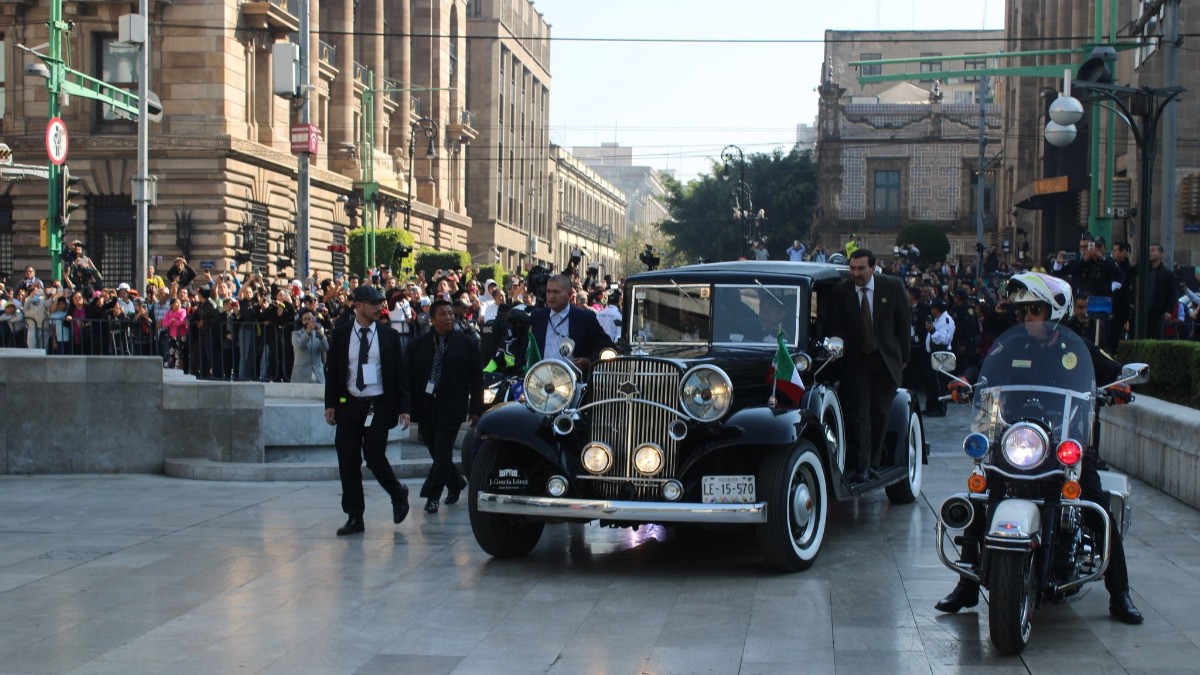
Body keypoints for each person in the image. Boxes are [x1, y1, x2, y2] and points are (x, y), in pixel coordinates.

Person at [935, 271, 1143, 625]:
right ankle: (967, 585)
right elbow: (985, 367)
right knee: (982, 495)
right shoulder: (1010, 345)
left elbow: (1108, 369)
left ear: (1054, 310)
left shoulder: (1076, 346)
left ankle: (1119, 593)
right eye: (1023, 312)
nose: (1027, 318)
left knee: (1097, 505)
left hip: (1063, 442)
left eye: (1034, 310)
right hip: (1016, 437)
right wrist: (965, 381)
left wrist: (1120, 382)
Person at [322, 284, 412, 536]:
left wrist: (404, 408)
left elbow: (399, 375)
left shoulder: (389, 336)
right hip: (349, 405)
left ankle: (398, 492)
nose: (379, 308)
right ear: (357, 305)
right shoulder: (340, 334)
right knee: (348, 461)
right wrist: (330, 403)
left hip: (378, 406)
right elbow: (334, 372)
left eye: (380, 303)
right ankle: (354, 516)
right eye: (373, 303)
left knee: (374, 457)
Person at [826, 249, 910, 483]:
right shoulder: (841, 292)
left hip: (885, 361)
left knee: (880, 413)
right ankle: (863, 467)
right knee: (861, 413)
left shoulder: (892, 287)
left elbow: (903, 325)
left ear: (873, 268)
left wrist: (904, 358)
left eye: (861, 269)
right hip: (857, 362)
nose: (856, 273)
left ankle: (874, 463)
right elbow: (836, 327)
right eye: (852, 269)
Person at [406, 299, 483, 514]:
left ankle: (432, 496)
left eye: (451, 314)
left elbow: (477, 379)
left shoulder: (467, 344)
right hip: (425, 406)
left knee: (442, 450)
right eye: (443, 314)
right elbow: (407, 377)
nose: (449, 318)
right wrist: (405, 406)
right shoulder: (417, 345)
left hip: (453, 407)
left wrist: (476, 408)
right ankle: (456, 482)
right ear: (432, 319)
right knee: (436, 451)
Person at [530, 275, 615, 370]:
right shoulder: (537, 317)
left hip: (575, 381)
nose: (551, 296)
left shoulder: (585, 318)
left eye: (556, 292)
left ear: (570, 295)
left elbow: (608, 347)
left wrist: (589, 361)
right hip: (541, 380)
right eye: (549, 292)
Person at [924, 298, 955, 416]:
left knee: (939, 382)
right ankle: (931, 406)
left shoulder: (946, 320)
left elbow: (944, 339)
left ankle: (940, 408)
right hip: (933, 354)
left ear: (936, 309)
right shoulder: (938, 319)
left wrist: (932, 331)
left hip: (941, 354)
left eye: (932, 308)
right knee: (931, 382)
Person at [291, 310, 329, 384]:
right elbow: (300, 345)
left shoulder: (318, 333)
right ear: (302, 322)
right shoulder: (296, 334)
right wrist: (308, 331)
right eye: (305, 319)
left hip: (317, 373)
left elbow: (326, 348)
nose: (308, 321)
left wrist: (321, 336)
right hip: (301, 375)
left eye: (310, 318)